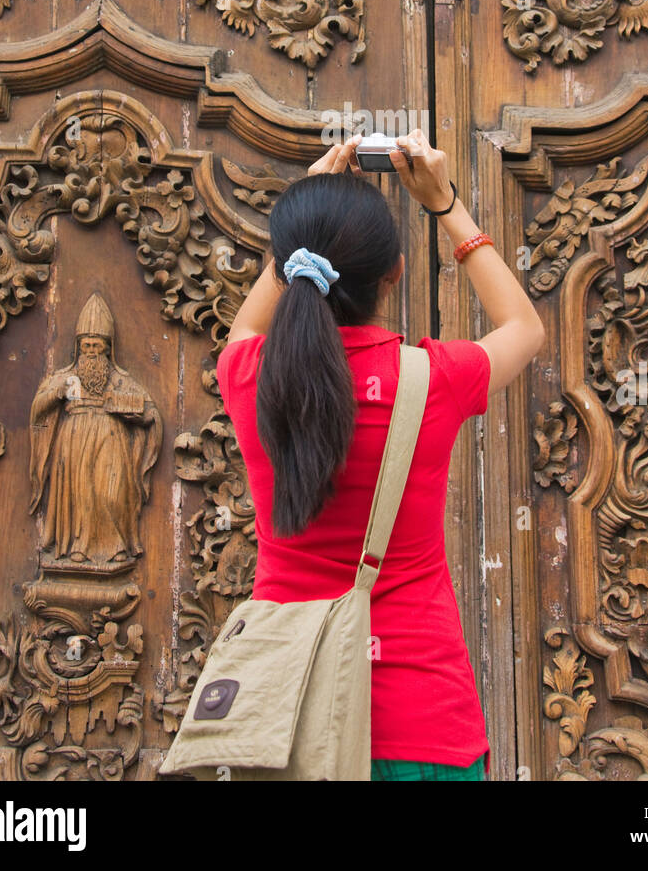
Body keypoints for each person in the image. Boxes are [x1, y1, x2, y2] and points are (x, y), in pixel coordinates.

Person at [215, 129, 545, 781]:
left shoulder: (249, 373)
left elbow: (245, 328)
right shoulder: (434, 379)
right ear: (394, 273)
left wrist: (304, 225)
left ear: (291, 267)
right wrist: (448, 206)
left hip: (285, 718)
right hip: (420, 722)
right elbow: (524, 329)